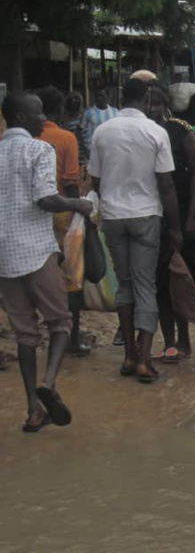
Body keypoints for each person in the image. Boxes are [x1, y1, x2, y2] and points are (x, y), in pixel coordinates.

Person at [0, 92, 94, 432]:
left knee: (24, 335)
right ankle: (49, 381)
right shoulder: (38, 150)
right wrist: (79, 205)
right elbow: (44, 199)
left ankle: (33, 411)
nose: (45, 119)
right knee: (60, 322)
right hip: (36, 251)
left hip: (3, 257)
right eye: (39, 114)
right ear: (23, 117)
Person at [88, 78, 181, 384]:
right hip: (147, 215)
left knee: (124, 286)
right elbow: (166, 184)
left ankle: (128, 355)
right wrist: (176, 227)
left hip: (113, 217)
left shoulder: (102, 131)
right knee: (145, 286)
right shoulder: (156, 132)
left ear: (119, 96)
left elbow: (96, 182)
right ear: (146, 98)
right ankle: (144, 359)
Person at [146, 85, 195, 362]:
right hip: (152, 216)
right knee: (158, 283)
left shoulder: (180, 131)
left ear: (165, 106)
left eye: (155, 104)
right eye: (146, 104)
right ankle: (170, 341)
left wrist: (192, 217)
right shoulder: (141, 134)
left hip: (180, 217)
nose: (150, 110)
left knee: (179, 279)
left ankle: (184, 339)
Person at [36, 86, 89, 357]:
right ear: (59, 110)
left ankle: (33, 335)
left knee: (33, 275)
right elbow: (71, 182)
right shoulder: (66, 138)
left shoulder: (9, 138)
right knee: (71, 276)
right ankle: (71, 337)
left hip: (29, 216)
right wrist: (79, 215)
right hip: (60, 212)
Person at [81, 86, 118, 154]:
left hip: (112, 151)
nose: (99, 98)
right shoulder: (88, 113)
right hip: (93, 151)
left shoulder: (115, 112)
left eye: (101, 96)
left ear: (107, 96)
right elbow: (81, 130)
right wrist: (85, 149)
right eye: (97, 96)